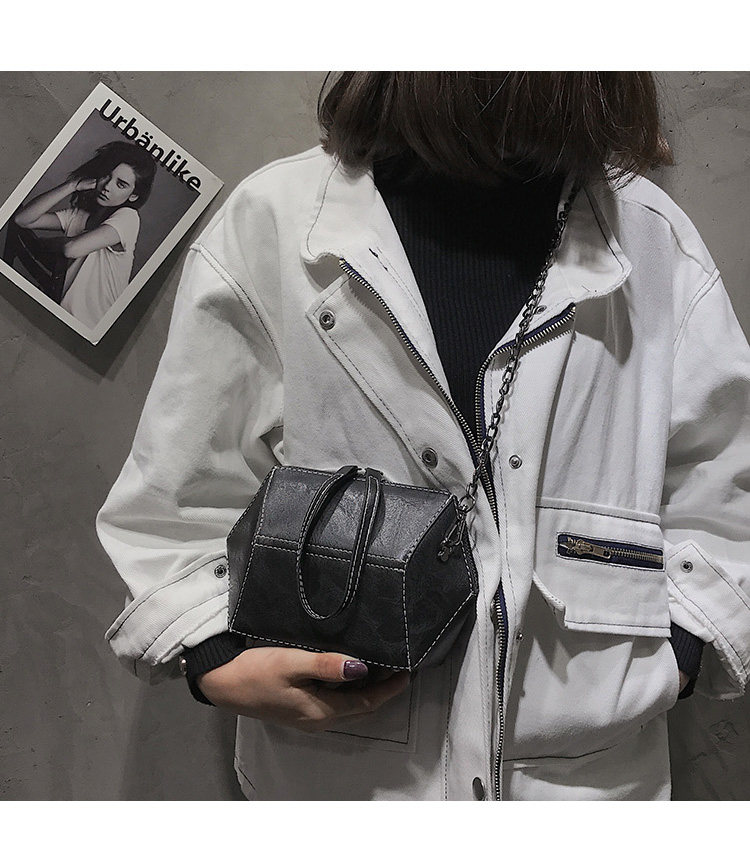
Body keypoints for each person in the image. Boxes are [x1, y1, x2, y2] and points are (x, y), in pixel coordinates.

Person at [95, 72, 750, 800]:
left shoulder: (652, 241)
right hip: (342, 787)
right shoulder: (277, 222)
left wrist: (683, 649)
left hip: (589, 788)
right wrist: (214, 654)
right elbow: (176, 498)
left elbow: (725, 486)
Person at [14, 140, 156, 327]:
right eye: (106, 176)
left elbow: (71, 249)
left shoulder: (128, 218)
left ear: (133, 195)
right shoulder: (79, 215)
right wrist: (72, 186)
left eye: (121, 184)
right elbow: (22, 220)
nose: (107, 186)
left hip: (92, 325)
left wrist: (48, 243)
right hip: (60, 315)